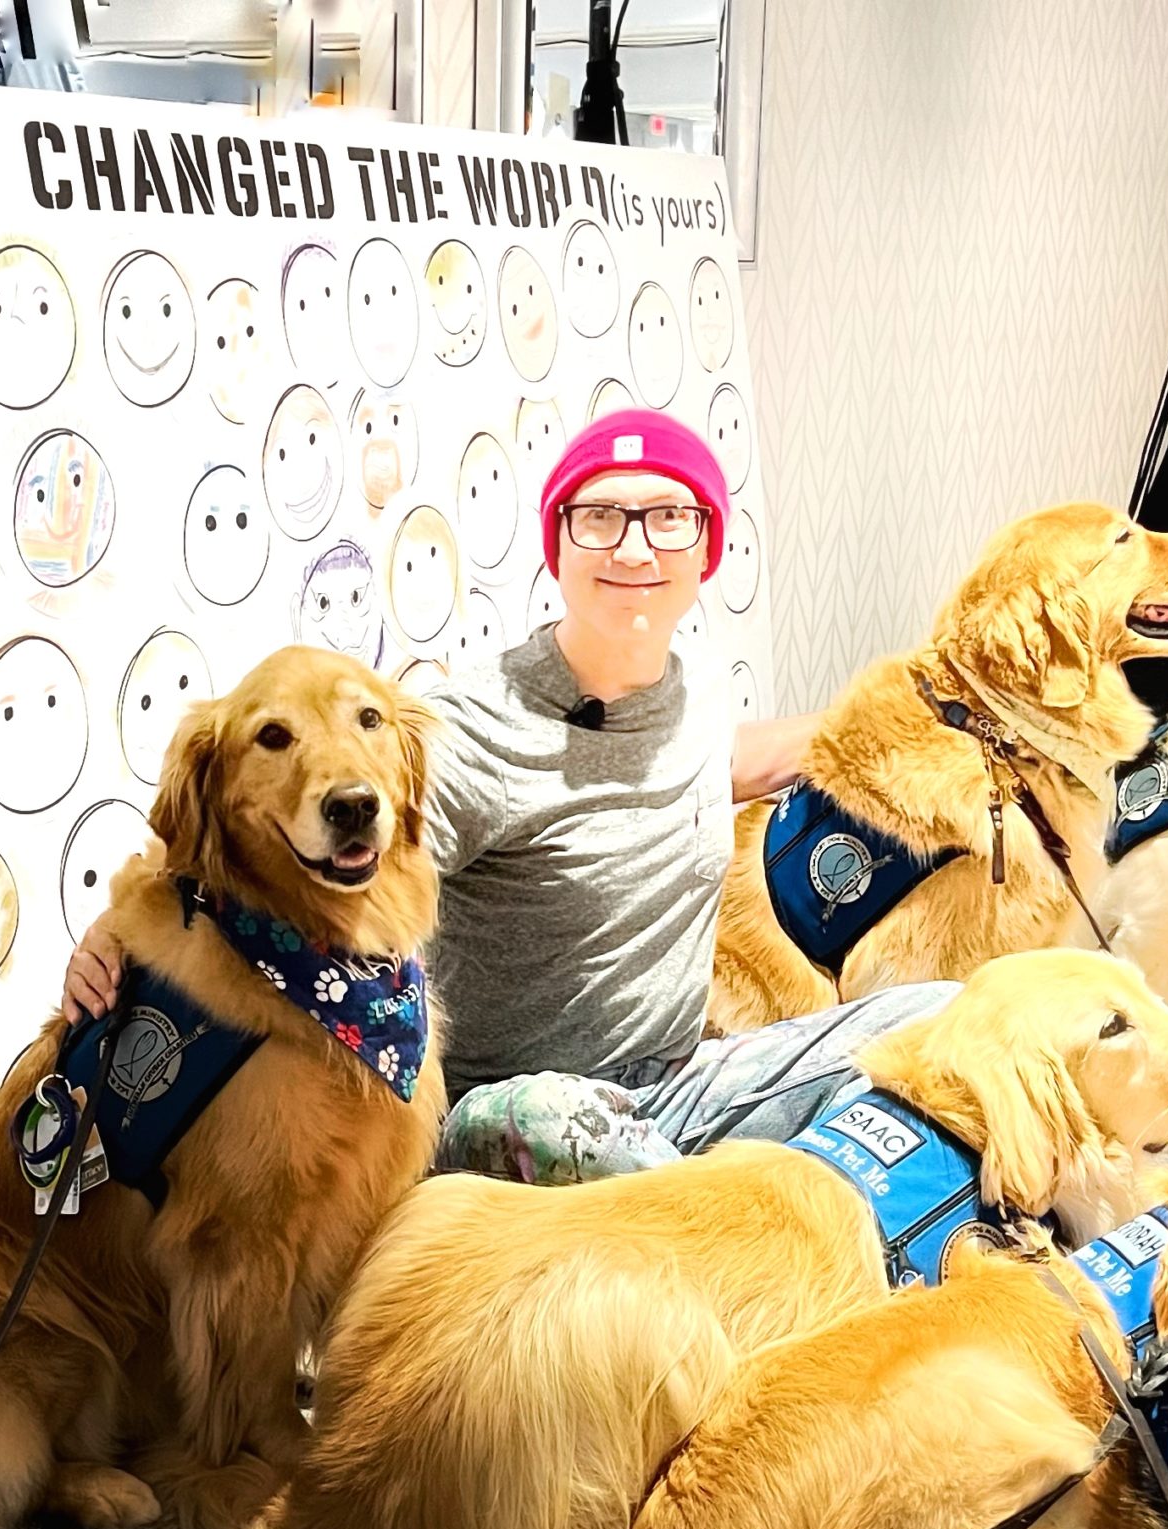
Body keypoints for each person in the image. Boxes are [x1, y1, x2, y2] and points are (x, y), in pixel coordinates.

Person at [63, 408, 956, 1184]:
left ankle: (723, 1198)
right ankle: (705, 1210)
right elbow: (261, 856)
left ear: (707, 548)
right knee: (564, 1127)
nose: (636, 546)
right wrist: (115, 937)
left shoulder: (692, 691)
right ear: (558, 544)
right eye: (601, 517)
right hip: (505, 1113)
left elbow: (725, 761)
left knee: (948, 1014)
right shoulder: (467, 726)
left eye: (669, 518)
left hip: (677, 1083)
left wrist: (944, 704)